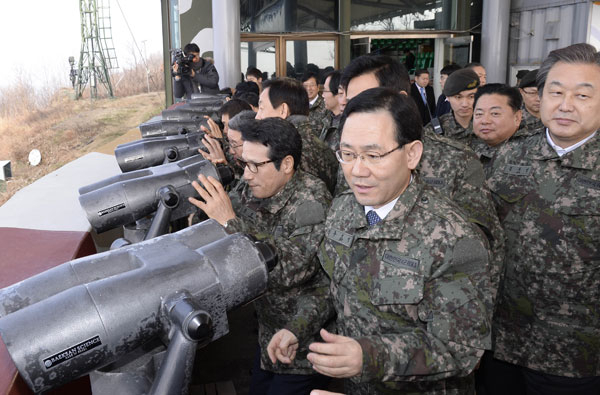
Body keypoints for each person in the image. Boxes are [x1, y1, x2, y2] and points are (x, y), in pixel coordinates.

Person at [267, 88, 493, 394]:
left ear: (412, 153)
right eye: (347, 154)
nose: (357, 170)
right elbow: (332, 285)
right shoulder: (344, 208)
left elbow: (460, 349)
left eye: (373, 155)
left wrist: (369, 355)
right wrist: (298, 326)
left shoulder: (452, 237)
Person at [484, 42, 600, 395]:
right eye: (556, 91)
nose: (565, 105)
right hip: (500, 343)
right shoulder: (511, 155)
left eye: (583, 95)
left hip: (574, 355)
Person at [337, 55, 504, 301]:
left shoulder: (456, 159)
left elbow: (476, 250)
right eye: (352, 102)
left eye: (368, 100)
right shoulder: (349, 156)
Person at [189, 117, 333, 395]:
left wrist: (230, 222)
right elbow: (226, 210)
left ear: (287, 164)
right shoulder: (252, 185)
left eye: (255, 165)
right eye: (244, 164)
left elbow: (291, 269)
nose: (246, 174)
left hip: (301, 343)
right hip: (268, 330)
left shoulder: (312, 201)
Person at [256, 78, 338, 195]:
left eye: (262, 108)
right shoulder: (314, 142)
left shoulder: (289, 150)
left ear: (283, 110)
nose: (257, 117)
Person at [471, 84, 525, 171]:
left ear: (517, 117)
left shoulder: (533, 151)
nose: (485, 121)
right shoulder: (465, 149)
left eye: (495, 113)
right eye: (479, 114)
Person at [426, 68, 479, 144]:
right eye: (458, 97)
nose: (465, 104)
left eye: (471, 97)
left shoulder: (487, 127)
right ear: (448, 97)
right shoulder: (433, 131)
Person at [319, 70, 342, 151]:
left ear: (338, 93)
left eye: (325, 90)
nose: (322, 95)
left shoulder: (347, 124)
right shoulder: (327, 118)